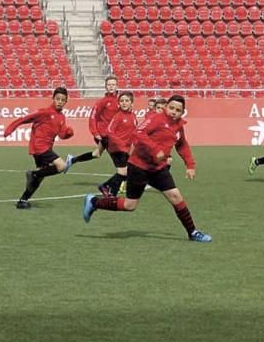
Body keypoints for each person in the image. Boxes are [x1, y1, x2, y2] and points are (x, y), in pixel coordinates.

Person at [82, 94, 212, 242]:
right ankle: (94, 202)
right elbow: (138, 133)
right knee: (130, 205)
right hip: (139, 167)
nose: (174, 112)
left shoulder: (178, 126)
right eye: (171, 108)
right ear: (165, 107)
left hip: (158, 169)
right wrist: (156, 149)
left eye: (178, 110)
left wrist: (190, 165)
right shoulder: (156, 119)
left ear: (182, 112)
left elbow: (182, 145)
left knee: (176, 197)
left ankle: (193, 232)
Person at [4, 87, 75, 209]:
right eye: (57, 99)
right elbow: (25, 119)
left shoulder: (61, 117)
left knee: (39, 178)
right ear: (53, 99)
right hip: (39, 146)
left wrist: (68, 133)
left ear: (66, 101)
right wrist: (11, 128)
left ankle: (23, 200)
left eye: (63, 100)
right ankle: (33, 173)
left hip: (46, 147)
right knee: (62, 166)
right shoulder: (45, 112)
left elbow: (62, 134)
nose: (59, 102)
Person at [66, 75, 119, 171]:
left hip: (115, 134)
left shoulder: (121, 101)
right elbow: (92, 117)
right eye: (109, 85)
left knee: (96, 154)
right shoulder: (102, 102)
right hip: (105, 135)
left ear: (116, 86)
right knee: (118, 157)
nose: (111, 86)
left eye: (113, 84)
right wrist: (95, 133)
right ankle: (124, 178)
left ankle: (72, 160)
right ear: (106, 87)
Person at [97, 91, 137, 197]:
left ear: (132, 103)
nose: (124, 103)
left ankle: (112, 193)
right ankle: (105, 186)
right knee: (125, 172)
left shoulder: (133, 116)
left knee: (124, 172)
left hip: (126, 148)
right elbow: (109, 131)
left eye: (126, 101)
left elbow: (134, 132)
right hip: (117, 149)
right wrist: (121, 143)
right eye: (122, 101)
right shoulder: (118, 116)